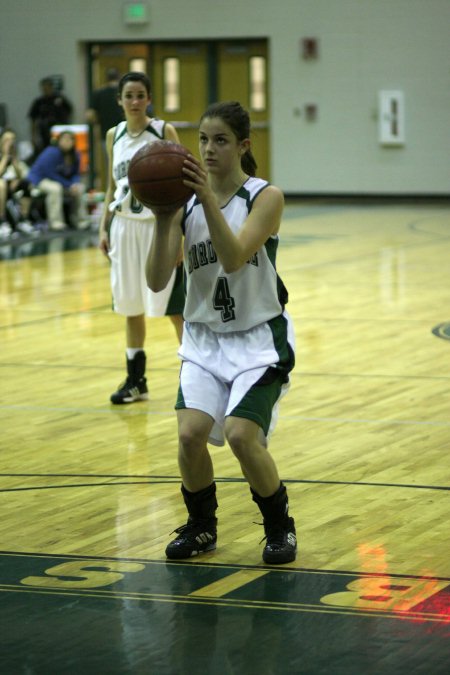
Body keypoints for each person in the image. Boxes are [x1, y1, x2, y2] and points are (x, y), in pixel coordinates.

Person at [146, 101, 297, 564]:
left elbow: (233, 258)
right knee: (191, 435)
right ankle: (201, 527)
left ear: (243, 145)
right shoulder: (184, 202)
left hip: (257, 341)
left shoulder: (264, 197)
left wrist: (207, 201)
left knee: (239, 436)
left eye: (221, 140)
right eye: (203, 140)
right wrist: (162, 217)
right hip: (205, 339)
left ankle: (279, 527)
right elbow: (155, 280)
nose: (208, 149)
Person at [98, 71, 184, 405]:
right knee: (130, 306)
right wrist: (103, 227)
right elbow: (110, 186)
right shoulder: (113, 135)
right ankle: (136, 380)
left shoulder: (163, 131)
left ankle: (193, 377)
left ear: (149, 98)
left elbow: (182, 183)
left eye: (140, 95)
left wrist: (179, 235)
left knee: (175, 310)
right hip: (123, 226)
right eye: (128, 96)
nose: (134, 102)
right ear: (119, 100)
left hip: (158, 227)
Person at [27, 130, 87, 230]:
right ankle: (56, 222)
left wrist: (75, 184)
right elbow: (50, 174)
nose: (67, 142)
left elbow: (75, 173)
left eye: (70, 140)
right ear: (59, 141)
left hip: (61, 181)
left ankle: (80, 221)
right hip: (40, 179)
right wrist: (68, 185)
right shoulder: (51, 152)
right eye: (64, 139)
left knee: (80, 188)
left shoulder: (75, 155)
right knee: (55, 189)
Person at [86, 67, 123, 190]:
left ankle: (112, 191)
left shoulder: (99, 93)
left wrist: (99, 121)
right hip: (125, 133)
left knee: (111, 164)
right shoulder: (123, 93)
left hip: (106, 133)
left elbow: (90, 115)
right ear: (118, 78)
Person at [0, 128, 36, 238]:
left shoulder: (15, 155)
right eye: (7, 140)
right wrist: (5, 156)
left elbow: (19, 175)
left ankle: (23, 220)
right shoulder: (3, 156)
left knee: (26, 184)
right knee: (1, 185)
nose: (10, 142)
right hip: (2, 185)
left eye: (12, 139)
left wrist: (14, 160)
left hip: (11, 185)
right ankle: (2, 221)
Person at [28, 77, 73, 158]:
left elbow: (69, 111)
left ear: (51, 87)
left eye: (48, 87)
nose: (46, 90)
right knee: (47, 154)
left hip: (60, 132)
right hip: (45, 133)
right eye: (44, 88)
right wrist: (33, 137)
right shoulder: (39, 102)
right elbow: (33, 119)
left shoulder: (60, 99)